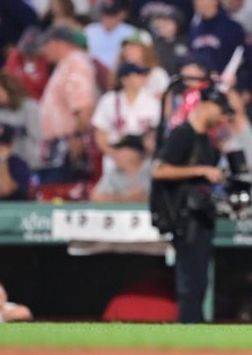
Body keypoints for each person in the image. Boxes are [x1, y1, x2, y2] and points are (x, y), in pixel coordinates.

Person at [150, 84, 233, 323]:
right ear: (205, 105)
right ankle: (188, 335)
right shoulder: (182, 134)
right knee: (190, 281)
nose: (222, 117)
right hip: (183, 217)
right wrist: (202, 170)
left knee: (198, 281)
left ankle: (193, 332)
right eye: (220, 110)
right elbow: (159, 171)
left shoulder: (208, 143)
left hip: (201, 216)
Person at [37, 26, 98, 184]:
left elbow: (84, 106)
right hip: (59, 143)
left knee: (60, 193)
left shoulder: (76, 63)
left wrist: (78, 137)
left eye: (48, 44)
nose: (45, 49)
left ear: (60, 43)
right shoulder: (65, 64)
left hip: (68, 143)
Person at [91, 62, 160, 177]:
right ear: (125, 79)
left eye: (143, 74)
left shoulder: (152, 102)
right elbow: (100, 136)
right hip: (114, 160)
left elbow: (156, 134)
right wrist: (118, 156)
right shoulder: (109, 101)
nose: (142, 78)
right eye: (137, 74)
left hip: (144, 160)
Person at [0, 70, 41, 169]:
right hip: (2, 163)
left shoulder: (29, 106)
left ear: (9, 90)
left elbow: (38, 137)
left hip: (28, 160)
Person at [189, 0, 246, 75]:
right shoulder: (195, 28)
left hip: (226, 80)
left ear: (214, 0)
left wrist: (231, 76)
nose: (197, 2)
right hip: (202, 80)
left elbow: (241, 56)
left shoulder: (231, 27)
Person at [91, 135, 152, 203]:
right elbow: (96, 197)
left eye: (119, 149)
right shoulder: (114, 173)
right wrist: (127, 197)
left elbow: (159, 199)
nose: (114, 153)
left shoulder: (152, 169)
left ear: (134, 152)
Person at [84, 0, 138, 71]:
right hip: (91, 72)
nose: (108, 19)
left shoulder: (130, 32)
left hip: (117, 73)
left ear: (120, 15)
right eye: (106, 15)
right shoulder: (90, 30)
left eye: (112, 15)